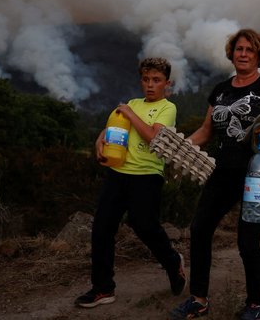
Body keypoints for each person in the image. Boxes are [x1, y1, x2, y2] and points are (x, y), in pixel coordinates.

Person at [169, 29, 260, 320]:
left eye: (249, 50)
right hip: (223, 170)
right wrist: (176, 148)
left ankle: (255, 304)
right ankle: (199, 299)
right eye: (239, 49)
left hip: (259, 174)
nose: (243, 54)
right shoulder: (220, 90)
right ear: (232, 53)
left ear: (259, 55)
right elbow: (205, 131)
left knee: (247, 241)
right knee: (200, 229)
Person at [75, 57, 186, 308]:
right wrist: (99, 141)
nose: (150, 85)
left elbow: (152, 137)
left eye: (156, 80)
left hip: (147, 175)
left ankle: (173, 262)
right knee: (102, 228)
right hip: (118, 172)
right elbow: (112, 129)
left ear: (166, 83)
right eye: (146, 79)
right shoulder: (134, 103)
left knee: (145, 226)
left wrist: (129, 113)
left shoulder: (168, 108)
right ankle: (103, 288)